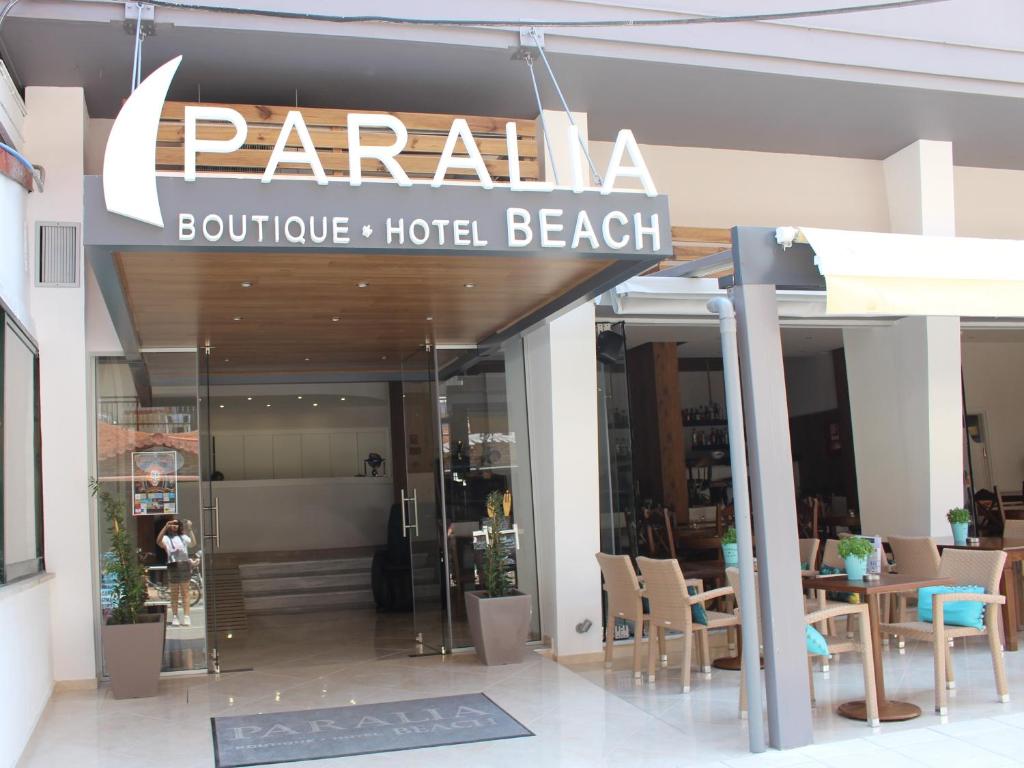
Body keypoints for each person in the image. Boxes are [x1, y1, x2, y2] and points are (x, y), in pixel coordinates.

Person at [157, 518, 194, 626]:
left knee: (185, 592)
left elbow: (193, 544)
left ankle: (186, 616)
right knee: (174, 593)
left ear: (179, 526)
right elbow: (158, 541)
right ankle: (175, 616)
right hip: (173, 565)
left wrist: (190, 529)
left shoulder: (183, 537)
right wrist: (165, 527)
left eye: (176, 524)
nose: (174, 525)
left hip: (184, 565)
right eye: (172, 524)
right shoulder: (166, 538)